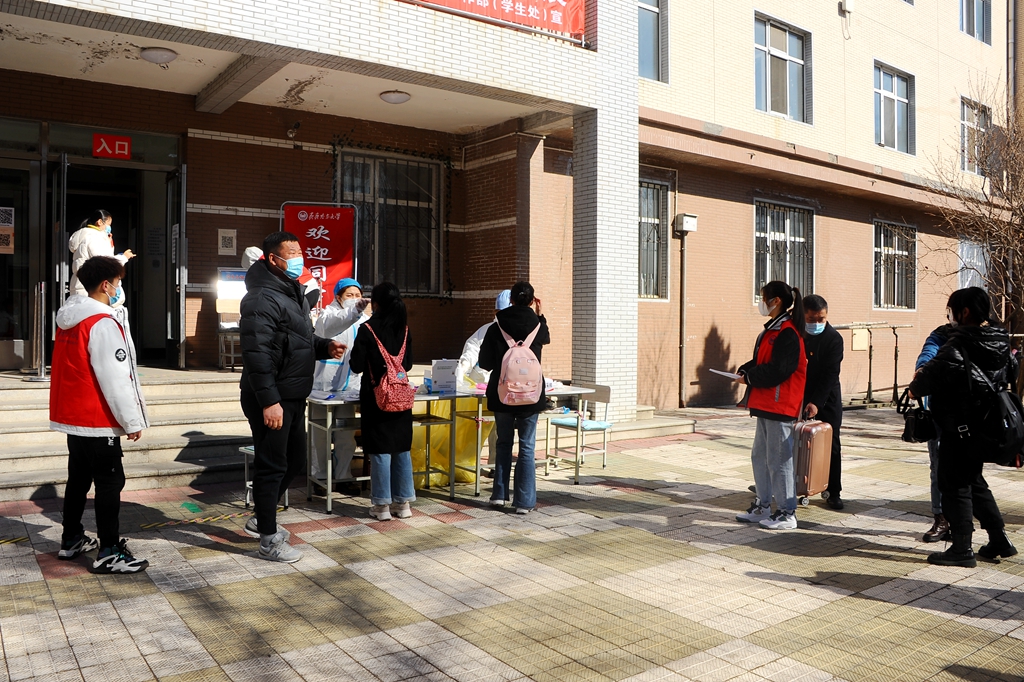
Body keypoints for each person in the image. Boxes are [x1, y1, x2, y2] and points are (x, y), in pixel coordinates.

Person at [239, 232, 345, 562]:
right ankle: (268, 540)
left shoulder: (292, 292)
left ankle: (262, 517)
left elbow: (299, 339)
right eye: (292, 253)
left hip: (294, 392)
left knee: (295, 460)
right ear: (273, 259)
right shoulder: (261, 298)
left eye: (300, 252)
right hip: (272, 396)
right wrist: (269, 401)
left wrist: (324, 347)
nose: (299, 258)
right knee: (272, 465)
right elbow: (256, 355)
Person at [49, 256, 149, 574]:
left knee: (78, 479)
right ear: (106, 285)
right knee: (110, 481)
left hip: (74, 416)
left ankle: (71, 538)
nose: (119, 289)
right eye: (118, 283)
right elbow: (115, 377)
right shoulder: (102, 322)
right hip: (98, 417)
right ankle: (109, 551)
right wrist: (131, 420)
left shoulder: (70, 319)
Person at [909, 287, 1018, 567]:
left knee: (954, 485)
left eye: (953, 311)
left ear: (965, 311)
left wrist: (918, 381)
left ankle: (961, 548)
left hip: (958, 428)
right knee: (975, 482)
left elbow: (921, 385)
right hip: (986, 427)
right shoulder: (1000, 341)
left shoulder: (957, 345)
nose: (951, 317)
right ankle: (999, 539)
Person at [734, 281, 807, 530]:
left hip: (780, 405)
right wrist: (746, 369)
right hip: (767, 403)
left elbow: (780, 370)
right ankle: (763, 505)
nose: (760, 302)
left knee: (779, 460)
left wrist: (751, 377)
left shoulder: (788, 331)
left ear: (776, 301)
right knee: (760, 457)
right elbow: (762, 360)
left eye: (763, 297)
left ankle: (787, 512)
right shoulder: (773, 329)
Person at [478, 281, 551, 514]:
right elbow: (546, 338)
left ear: (510, 299)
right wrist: (540, 315)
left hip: (503, 395)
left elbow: (485, 363)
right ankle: (524, 503)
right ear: (532, 300)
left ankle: (499, 496)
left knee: (503, 443)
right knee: (527, 447)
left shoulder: (496, 326)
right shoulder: (538, 326)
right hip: (531, 395)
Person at [349, 282, 416, 521]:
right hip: (401, 398)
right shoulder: (404, 329)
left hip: (376, 398)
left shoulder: (367, 329)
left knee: (380, 451)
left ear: (375, 304)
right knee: (401, 449)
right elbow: (408, 364)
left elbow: (356, 365)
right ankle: (403, 503)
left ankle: (381, 506)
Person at [310, 278, 370, 480]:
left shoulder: (363, 319)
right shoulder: (328, 315)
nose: (355, 298)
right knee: (320, 435)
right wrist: (354, 311)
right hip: (323, 387)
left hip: (349, 386)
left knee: (346, 435)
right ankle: (319, 476)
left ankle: (343, 475)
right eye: (349, 295)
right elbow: (334, 326)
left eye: (358, 295)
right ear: (338, 297)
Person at [802, 295, 845, 510]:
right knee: (798, 442)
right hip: (800, 395)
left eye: (821, 319)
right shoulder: (797, 335)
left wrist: (816, 402)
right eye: (811, 319)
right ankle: (797, 485)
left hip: (828, 399)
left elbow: (830, 374)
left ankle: (833, 491)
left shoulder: (833, 338)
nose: (816, 323)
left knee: (831, 444)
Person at [915, 323, 952, 543]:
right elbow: (929, 352)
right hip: (941, 412)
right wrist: (922, 370)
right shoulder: (942, 334)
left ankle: (991, 532)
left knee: (970, 476)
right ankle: (941, 518)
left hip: (973, 415)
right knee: (938, 467)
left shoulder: (984, 336)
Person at [68, 210, 134, 297]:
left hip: (80, 287)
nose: (109, 227)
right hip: (92, 289)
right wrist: (124, 257)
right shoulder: (95, 237)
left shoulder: (85, 236)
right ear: (99, 222)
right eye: (108, 224)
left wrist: (109, 243)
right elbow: (104, 263)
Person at [457, 290, 513, 386]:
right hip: (483, 381)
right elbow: (472, 349)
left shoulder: (519, 331)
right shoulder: (487, 330)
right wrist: (464, 365)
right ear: (494, 312)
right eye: (499, 312)